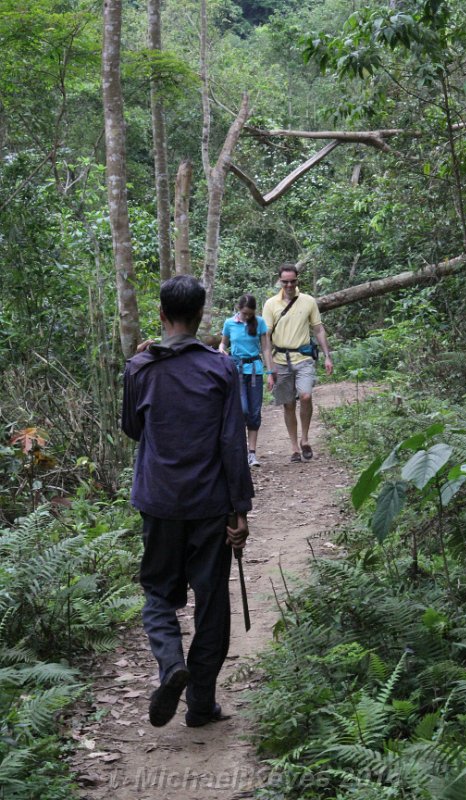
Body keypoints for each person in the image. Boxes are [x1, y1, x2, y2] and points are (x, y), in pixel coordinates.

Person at [121, 275, 254, 729]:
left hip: (158, 501)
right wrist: (240, 510)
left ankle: (170, 663)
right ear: (202, 317)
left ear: (161, 315)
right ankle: (200, 704)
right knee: (212, 601)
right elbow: (232, 445)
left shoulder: (140, 368)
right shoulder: (221, 369)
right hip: (210, 504)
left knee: (158, 592)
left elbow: (134, 430)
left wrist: (139, 362)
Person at [262, 263, 333, 463]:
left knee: (306, 395)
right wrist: (269, 369)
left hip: (303, 358)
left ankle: (305, 439)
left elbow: (318, 329)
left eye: (293, 281)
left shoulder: (308, 301)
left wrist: (327, 355)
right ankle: (294, 447)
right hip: (280, 360)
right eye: (286, 282)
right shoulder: (270, 305)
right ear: (280, 281)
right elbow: (265, 338)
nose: (290, 285)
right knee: (288, 404)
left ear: (297, 280)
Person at [219, 294, 273, 467]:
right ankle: (238, 449)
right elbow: (223, 344)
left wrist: (270, 372)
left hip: (255, 370)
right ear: (238, 309)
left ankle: (252, 453)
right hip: (236, 370)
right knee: (242, 409)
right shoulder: (229, 323)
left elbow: (265, 348)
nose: (247, 316)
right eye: (244, 313)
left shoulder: (260, 323)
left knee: (254, 413)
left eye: (250, 314)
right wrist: (221, 351)